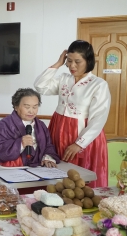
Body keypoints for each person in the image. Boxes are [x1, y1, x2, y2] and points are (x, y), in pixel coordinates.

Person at [34, 40, 111, 187]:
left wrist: (79, 144)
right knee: (57, 173)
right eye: (69, 61)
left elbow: (99, 118)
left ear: (88, 61)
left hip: (83, 134)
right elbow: (40, 86)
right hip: (58, 128)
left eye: (77, 62)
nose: (72, 66)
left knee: (80, 179)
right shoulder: (64, 79)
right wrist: (57, 64)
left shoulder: (98, 84)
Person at [0, 88, 60, 168]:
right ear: (16, 106)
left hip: (38, 167)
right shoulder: (4, 125)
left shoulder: (41, 125)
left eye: (35, 107)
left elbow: (48, 145)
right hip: (13, 168)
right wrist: (20, 144)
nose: (31, 111)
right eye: (27, 107)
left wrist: (47, 158)